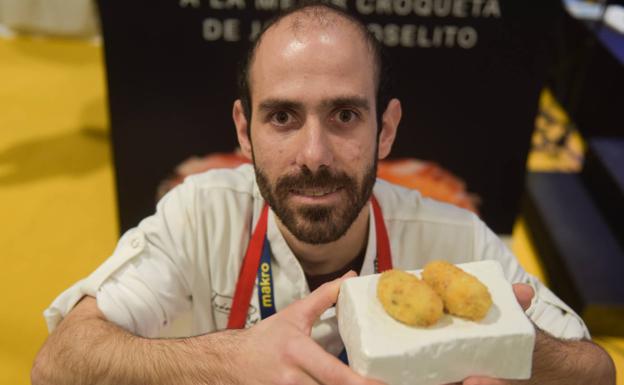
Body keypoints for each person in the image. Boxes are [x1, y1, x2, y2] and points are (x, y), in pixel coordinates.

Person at [32, 2, 615, 384]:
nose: (314, 155)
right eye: (283, 116)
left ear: (385, 129)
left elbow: (596, 371)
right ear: (244, 131)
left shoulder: (453, 239)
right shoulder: (200, 216)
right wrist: (229, 361)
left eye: (343, 115)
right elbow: (57, 364)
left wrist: (506, 340)